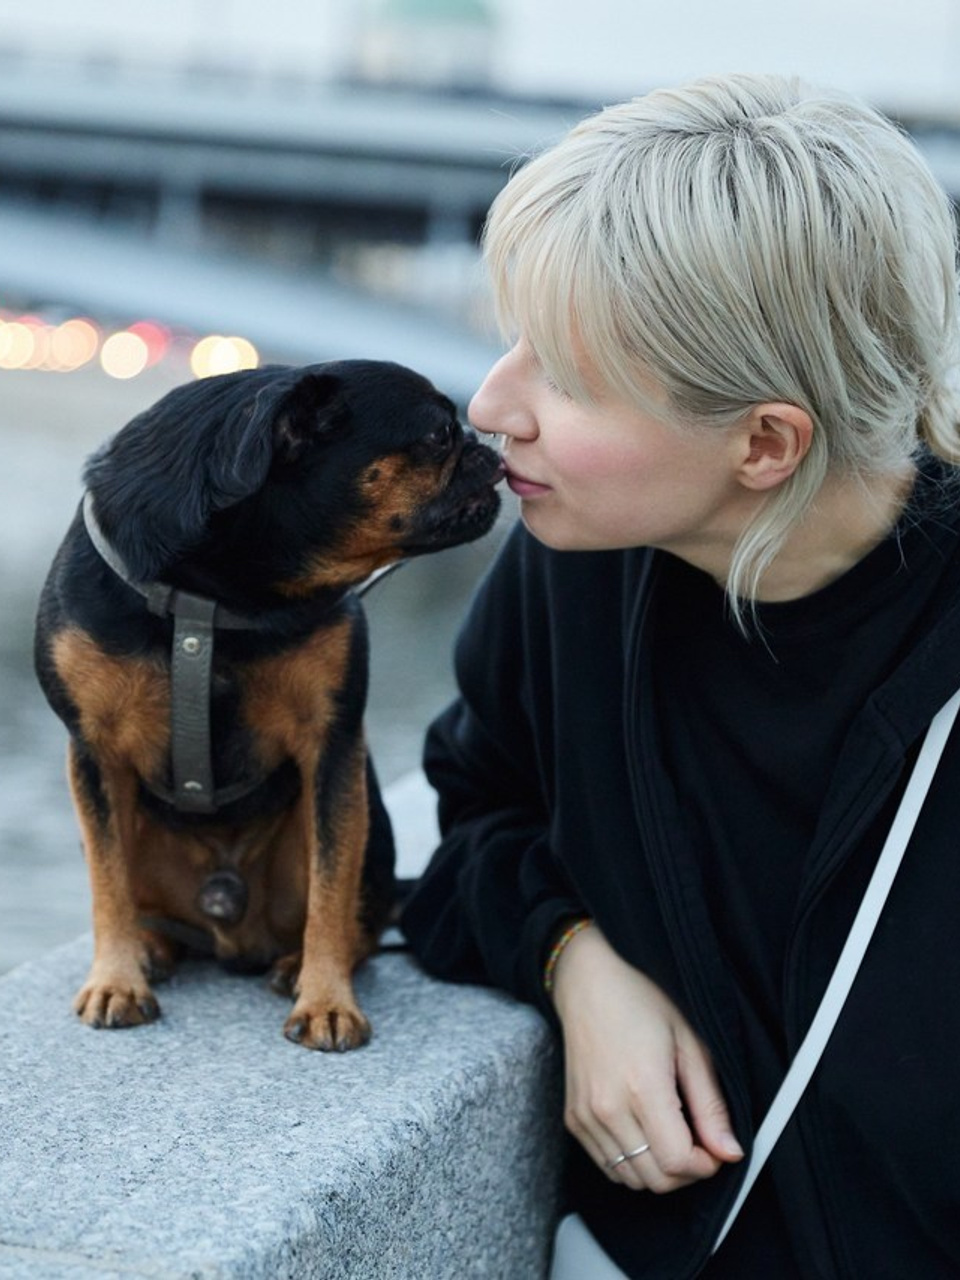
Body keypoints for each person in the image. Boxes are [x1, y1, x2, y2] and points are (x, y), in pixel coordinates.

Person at [399, 72, 960, 1279]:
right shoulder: (579, 565)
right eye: (511, 344)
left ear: (764, 441)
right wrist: (572, 956)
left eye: (566, 376)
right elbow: (473, 811)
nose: (492, 406)